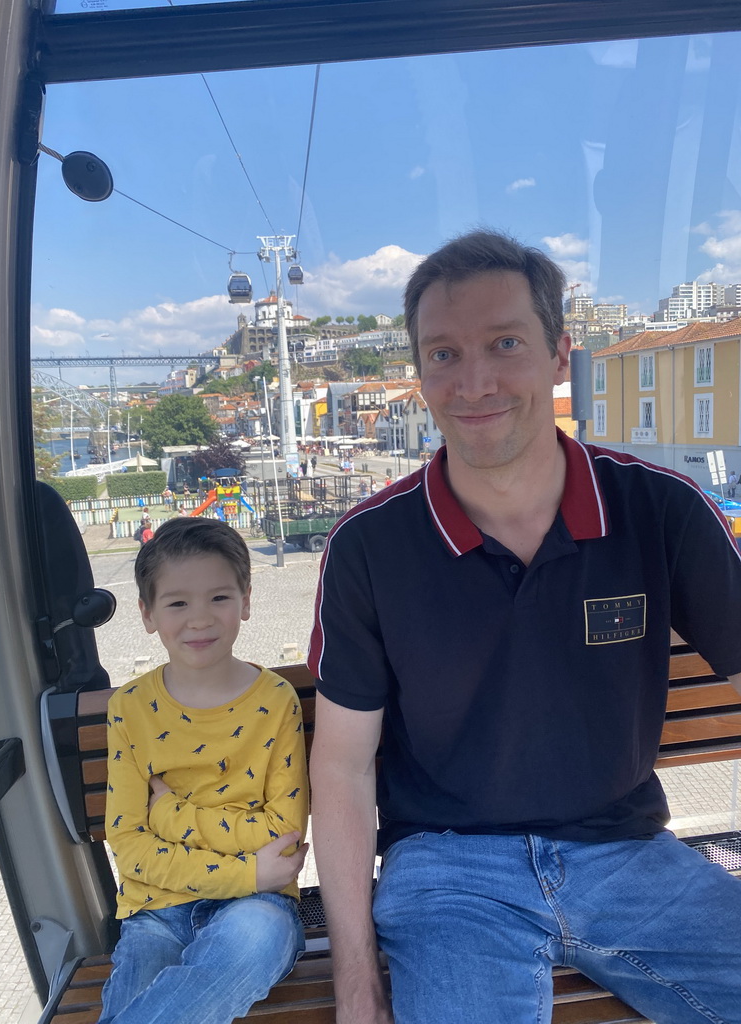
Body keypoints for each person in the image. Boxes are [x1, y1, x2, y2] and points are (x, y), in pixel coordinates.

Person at [308, 229, 741, 1024]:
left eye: (505, 343)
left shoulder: (658, 509)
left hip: (630, 855)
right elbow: (341, 768)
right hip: (446, 871)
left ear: (559, 355)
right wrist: (356, 983)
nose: (474, 381)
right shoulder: (371, 546)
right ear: (419, 373)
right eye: (442, 353)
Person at [100, 517, 309, 1024]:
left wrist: (169, 814)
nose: (199, 620)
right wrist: (247, 868)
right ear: (147, 615)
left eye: (219, 598)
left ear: (246, 601)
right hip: (157, 913)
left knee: (254, 939)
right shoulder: (129, 708)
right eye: (177, 603)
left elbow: (281, 836)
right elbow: (129, 843)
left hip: (259, 910)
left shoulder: (277, 701)